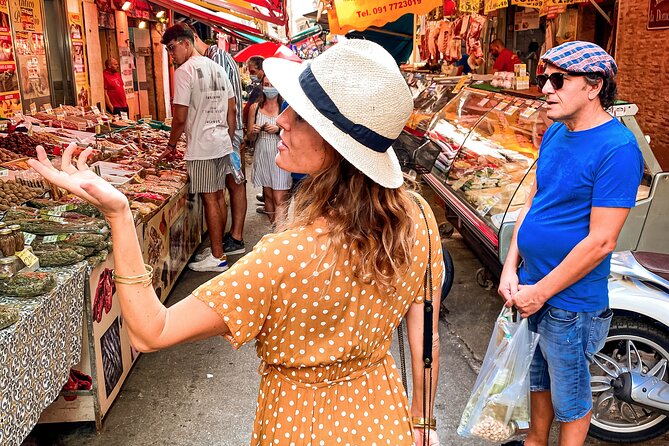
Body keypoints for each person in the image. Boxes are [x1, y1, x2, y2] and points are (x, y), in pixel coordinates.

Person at [28, 39, 444, 446]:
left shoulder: (288, 255)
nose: (280, 119)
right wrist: (423, 420)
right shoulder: (419, 218)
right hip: (382, 416)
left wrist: (119, 214)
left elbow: (151, 331)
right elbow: (425, 334)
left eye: (297, 114)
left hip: (303, 425)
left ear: (334, 145)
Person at [498, 41, 643, 446]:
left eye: (558, 80)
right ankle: (535, 441)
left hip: (570, 304)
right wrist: (512, 267)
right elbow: (535, 199)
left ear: (594, 86)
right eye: (546, 78)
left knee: (572, 398)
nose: (546, 87)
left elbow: (601, 241)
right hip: (531, 284)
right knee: (539, 380)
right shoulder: (557, 131)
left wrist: (540, 293)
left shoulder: (618, 149)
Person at [160, 24, 237, 272]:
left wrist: (171, 145)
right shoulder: (216, 67)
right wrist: (228, 136)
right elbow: (232, 108)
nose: (172, 55)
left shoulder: (184, 72)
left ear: (186, 43)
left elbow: (180, 117)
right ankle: (218, 249)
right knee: (218, 196)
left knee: (210, 199)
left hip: (202, 147)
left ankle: (217, 257)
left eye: (172, 48)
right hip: (221, 141)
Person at [189, 27, 247, 256]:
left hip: (227, 131)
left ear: (193, 39)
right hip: (226, 131)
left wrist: (229, 138)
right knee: (230, 184)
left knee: (234, 183)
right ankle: (231, 238)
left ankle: (236, 237)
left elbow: (226, 104)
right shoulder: (216, 58)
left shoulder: (218, 61)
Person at [246, 77, 291, 225]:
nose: (269, 87)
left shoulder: (285, 107)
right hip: (262, 154)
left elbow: (293, 133)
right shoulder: (255, 108)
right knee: (268, 195)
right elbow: (249, 138)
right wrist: (253, 131)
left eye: (272, 84)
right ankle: (274, 228)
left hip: (280, 155)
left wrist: (278, 130)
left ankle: (280, 232)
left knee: (280, 197)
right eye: (266, 85)